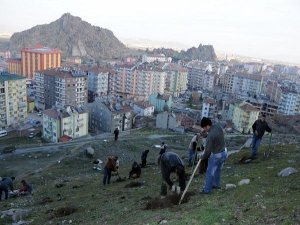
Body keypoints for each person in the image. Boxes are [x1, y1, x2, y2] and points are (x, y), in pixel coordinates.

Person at [200, 117, 227, 194]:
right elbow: (215, 134)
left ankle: (207, 190)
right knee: (218, 170)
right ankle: (216, 184)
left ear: (207, 125)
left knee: (210, 172)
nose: (204, 129)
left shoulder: (210, 136)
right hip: (224, 152)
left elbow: (208, 151)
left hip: (217, 155)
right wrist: (206, 134)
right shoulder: (217, 126)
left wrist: (203, 157)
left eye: (204, 128)